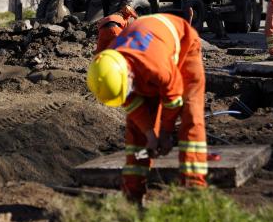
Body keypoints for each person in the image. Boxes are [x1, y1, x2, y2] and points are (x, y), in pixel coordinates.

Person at [86, 12, 207, 204]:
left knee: (191, 117)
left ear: (128, 77)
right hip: (143, 60)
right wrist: (150, 134)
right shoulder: (111, 68)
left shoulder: (156, 68)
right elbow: (133, 105)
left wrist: (166, 133)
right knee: (136, 133)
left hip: (184, 45)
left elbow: (173, 99)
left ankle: (194, 192)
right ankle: (133, 196)